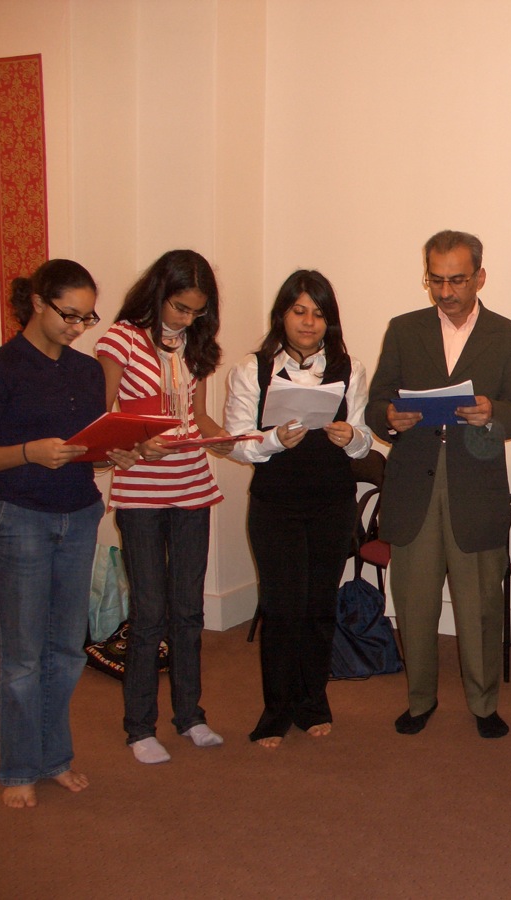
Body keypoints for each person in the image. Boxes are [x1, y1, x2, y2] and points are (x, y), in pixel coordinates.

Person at [0, 259, 138, 808]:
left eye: (87, 319)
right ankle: (19, 767)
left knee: (65, 650)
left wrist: (121, 454)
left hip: (78, 512)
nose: (78, 327)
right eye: (69, 315)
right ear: (38, 301)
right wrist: (28, 454)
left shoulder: (87, 373)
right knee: (21, 653)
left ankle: (54, 757)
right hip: (15, 517)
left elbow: (87, 448)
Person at [365, 230, 511, 739]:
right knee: (414, 603)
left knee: (480, 603)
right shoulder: (403, 329)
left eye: (456, 279)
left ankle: (484, 704)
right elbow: (376, 405)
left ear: (480, 276)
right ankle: (420, 700)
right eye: (435, 280)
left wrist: (491, 413)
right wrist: (392, 419)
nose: (444, 291)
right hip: (414, 484)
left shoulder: (510, 336)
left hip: (474, 486)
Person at [224, 270, 373, 748]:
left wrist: (353, 438)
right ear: (282, 315)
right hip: (276, 503)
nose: (309, 322)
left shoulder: (351, 367)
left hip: (332, 501)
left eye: (318, 313)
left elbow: (365, 440)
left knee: (319, 605)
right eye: (299, 311)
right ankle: (276, 710)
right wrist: (271, 440)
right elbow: (236, 442)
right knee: (281, 606)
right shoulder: (253, 368)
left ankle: (314, 703)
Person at [95, 249, 230, 765]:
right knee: (150, 612)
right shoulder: (121, 339)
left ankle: (190, 715)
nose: (186, 319)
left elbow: (196, 417)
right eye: (179, 307)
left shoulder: (192, 345)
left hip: (192, 485)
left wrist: (238, 441)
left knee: (188, 611)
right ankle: (139, 726)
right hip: (142, 492)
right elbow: (101, 419)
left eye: (196, 311)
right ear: (157, 294)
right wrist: (135, 444)